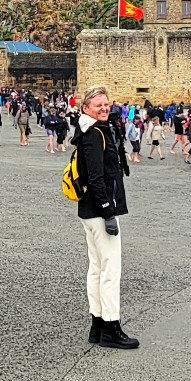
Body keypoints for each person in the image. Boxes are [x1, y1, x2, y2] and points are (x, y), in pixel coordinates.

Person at [73, 85, 136, 350]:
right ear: (85, 108)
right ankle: (111, 326)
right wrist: (108, 210)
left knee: (97, 267)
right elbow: (96, 178)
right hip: (100, 210)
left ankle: (97, 325)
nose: (104, 107)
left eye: (106, 103)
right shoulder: (95, 134)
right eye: (98, 104)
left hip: (90, 209)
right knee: (110, 269)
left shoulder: (90, 130)